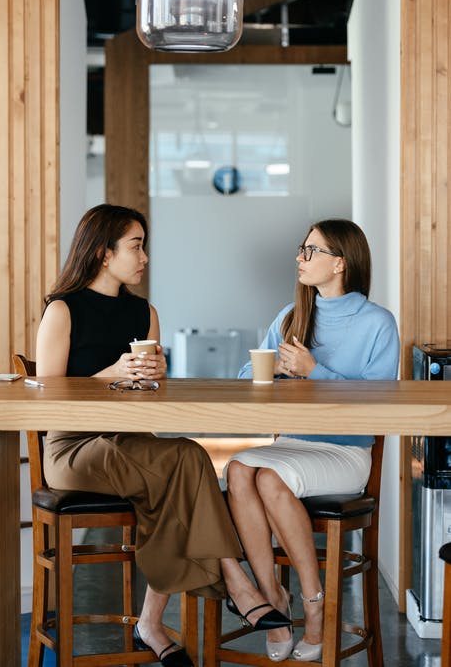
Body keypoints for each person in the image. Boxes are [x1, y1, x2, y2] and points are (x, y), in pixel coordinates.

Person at [36, 203, 290, 667]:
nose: (144, 257)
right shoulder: (62, 309)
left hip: (130, 444)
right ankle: (236, 581)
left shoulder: (144, 313)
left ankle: (154, 623)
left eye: (143, 246)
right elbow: (48, 395)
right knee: (186, 462)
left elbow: (149, 396)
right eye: (135, 246)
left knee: (182, 470)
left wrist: (155, 378)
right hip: (74, 448)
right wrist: (109, 374)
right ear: (101, 252)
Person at [225, 218, 400, 662]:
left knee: (265, 477)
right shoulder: (291, 316)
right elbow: (248, 375)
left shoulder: (377, 322)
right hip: (294, 446)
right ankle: (272, 601)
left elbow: (380, 400)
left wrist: (313, 372)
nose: (299, 258)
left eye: (311, 251)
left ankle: (314, 605)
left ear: (339, 263)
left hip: (345, 450)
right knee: (240, 468)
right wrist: (276, 372)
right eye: (301, 250)